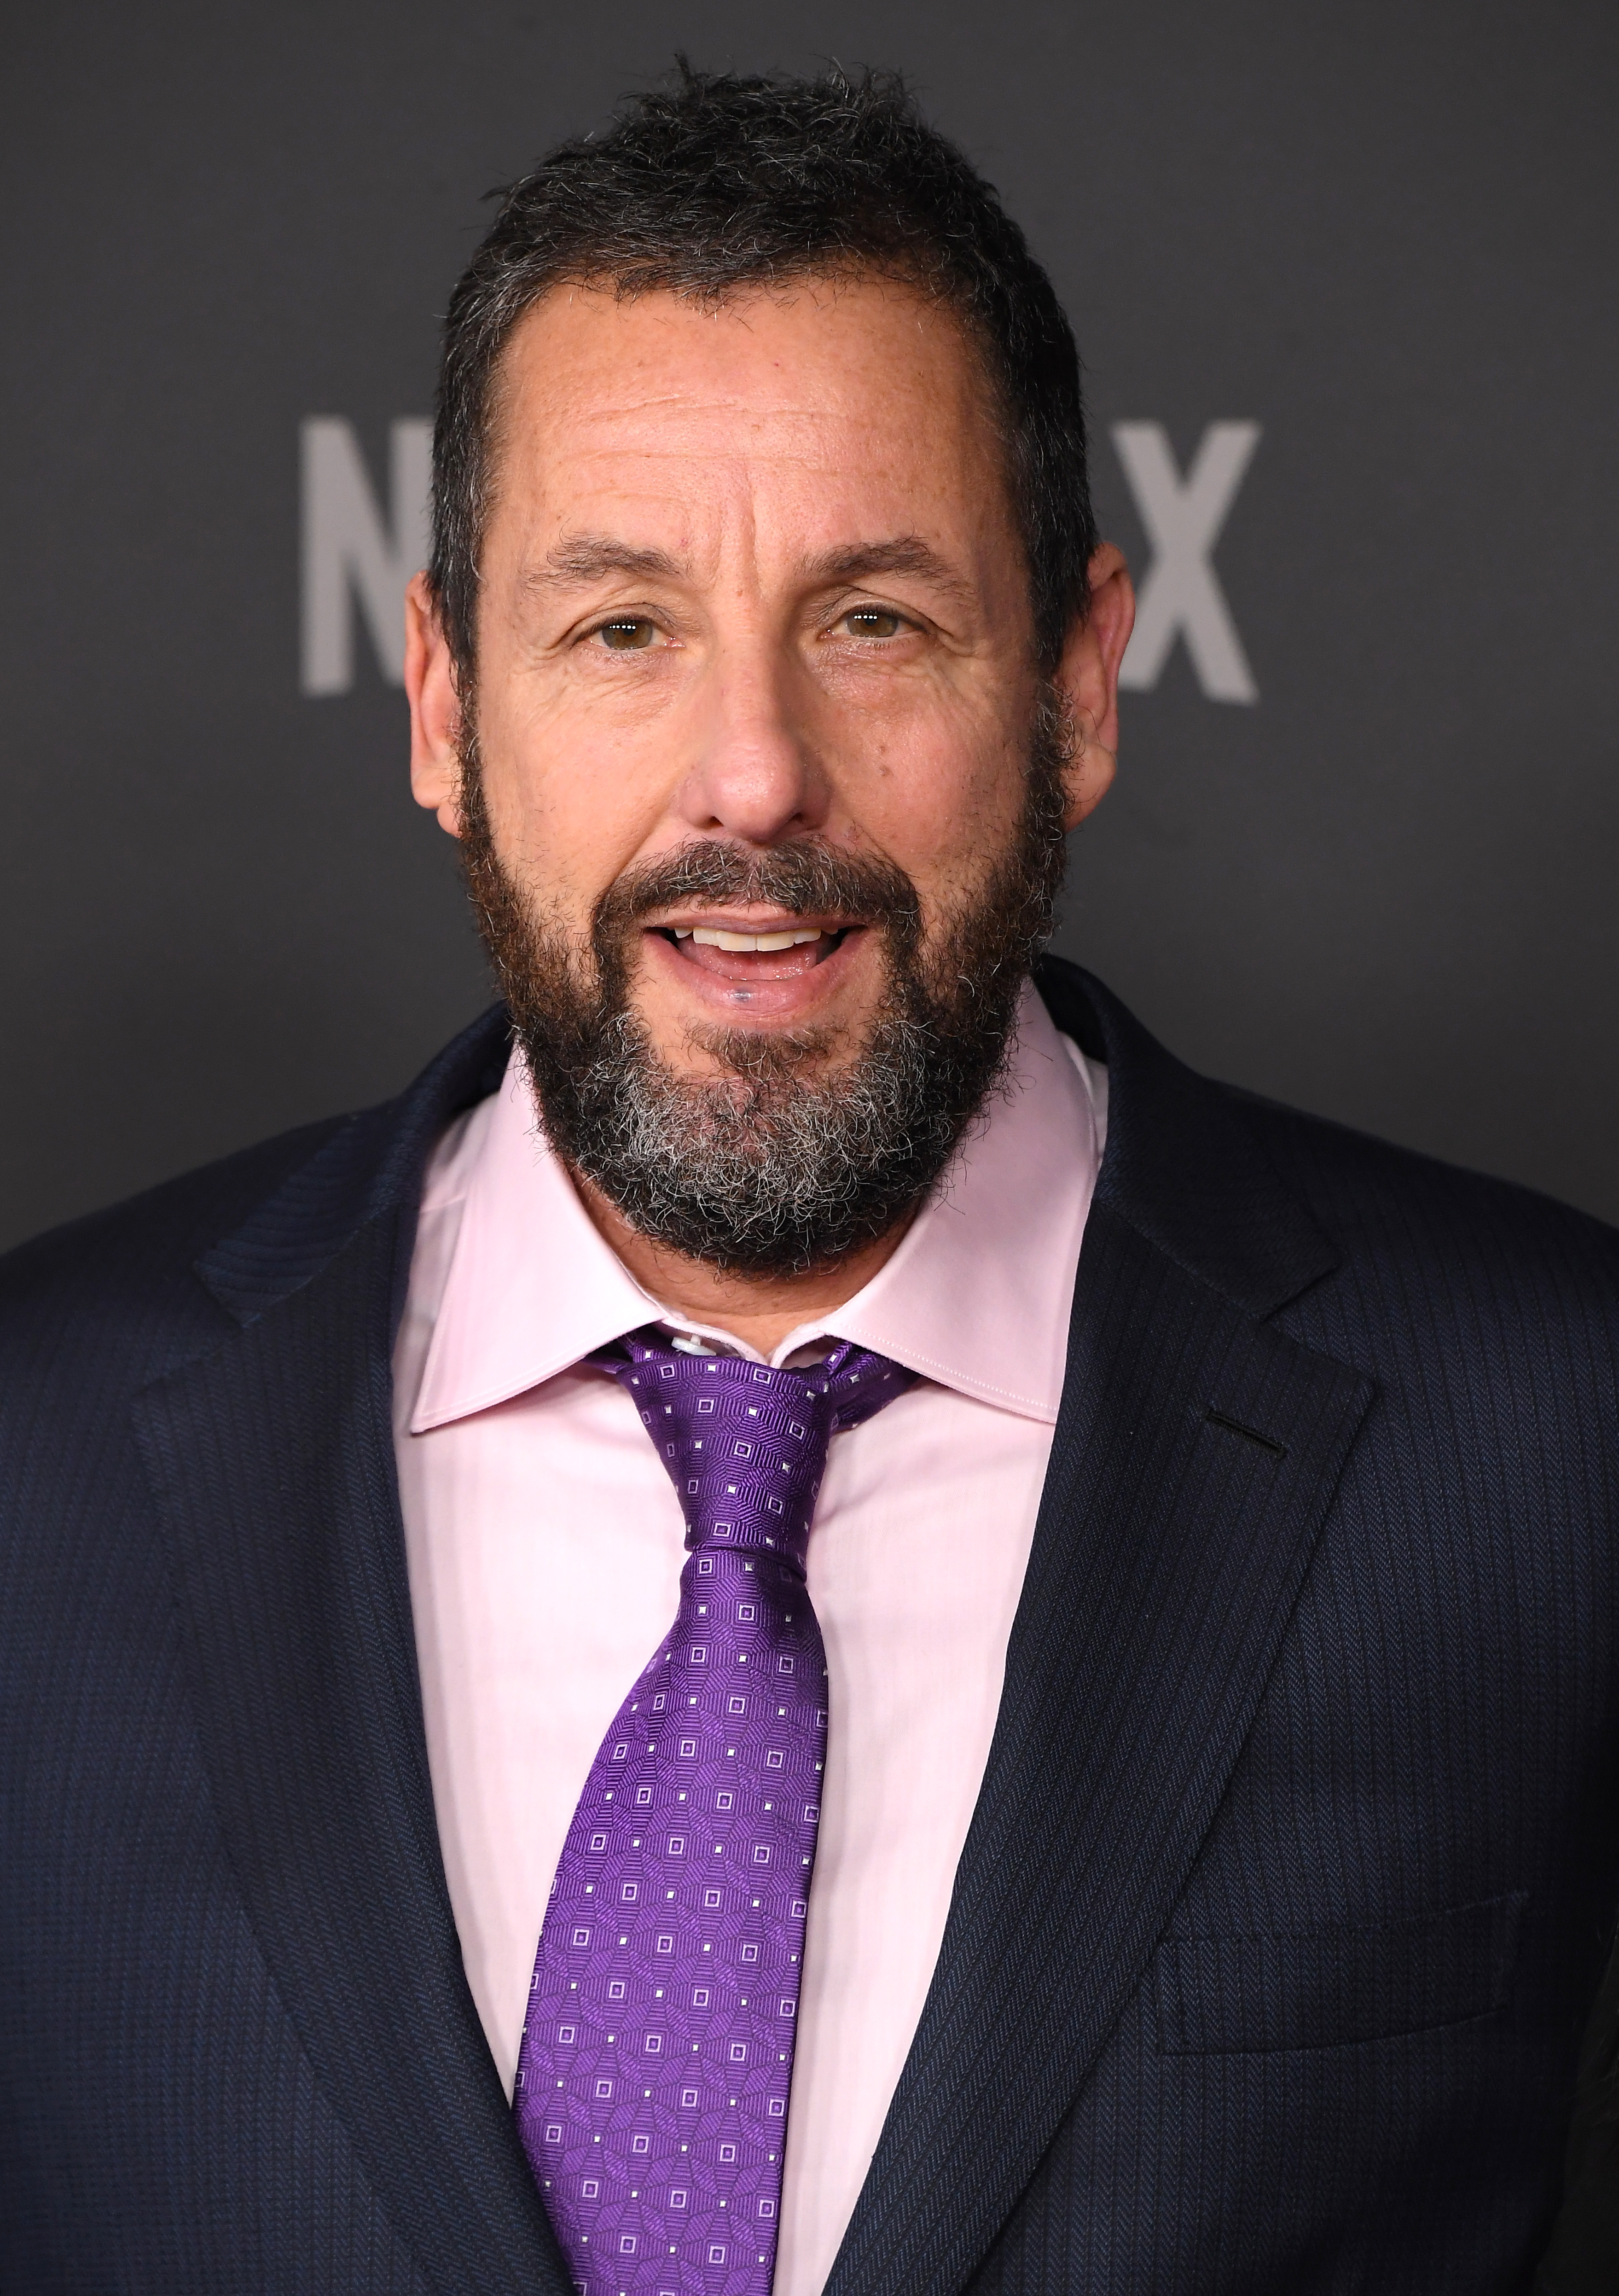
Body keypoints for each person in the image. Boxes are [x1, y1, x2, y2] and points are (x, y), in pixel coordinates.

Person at [0, 63, 1614, 2296]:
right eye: (623, 625)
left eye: (875, 618)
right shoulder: (32, 1454)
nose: (751, 770)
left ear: (1073, 685)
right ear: (445, 704)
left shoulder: (1551, 1438)